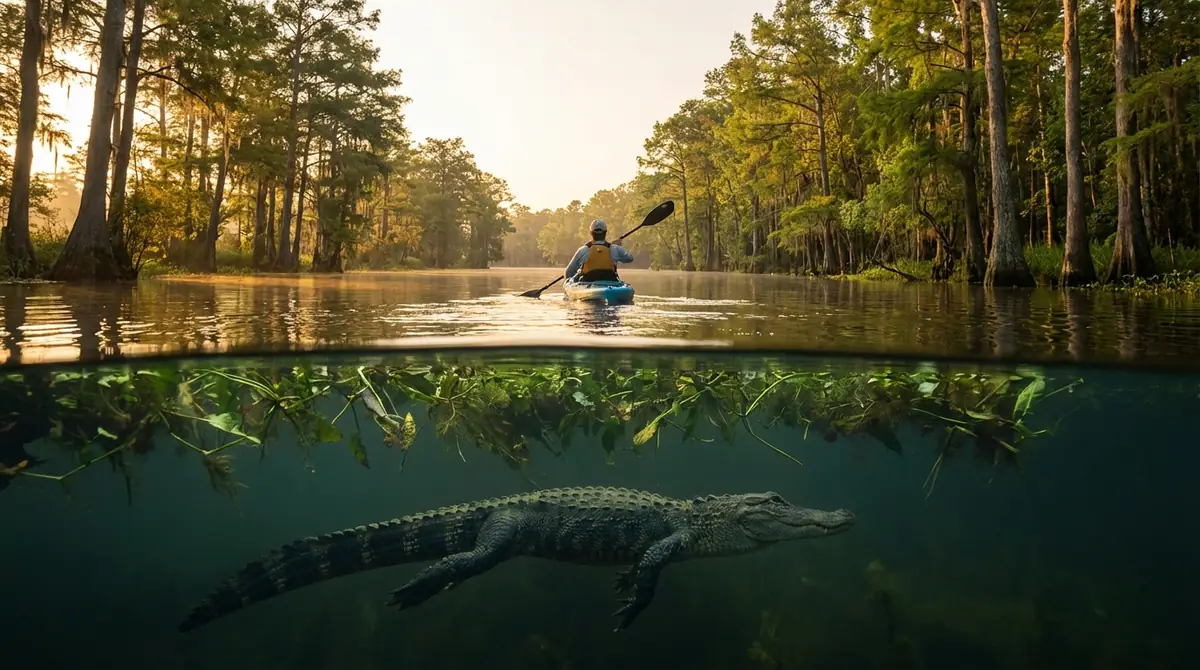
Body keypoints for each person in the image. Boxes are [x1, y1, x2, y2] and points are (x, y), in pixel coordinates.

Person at [564, 219, 635, 282]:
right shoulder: (615, 249)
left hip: (587, 284)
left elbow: (568, 273)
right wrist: (618, 247)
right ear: (605, 232)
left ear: (591, 233)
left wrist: (571, 282)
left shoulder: (582, 250)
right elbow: (630, 258)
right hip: (611, 283)